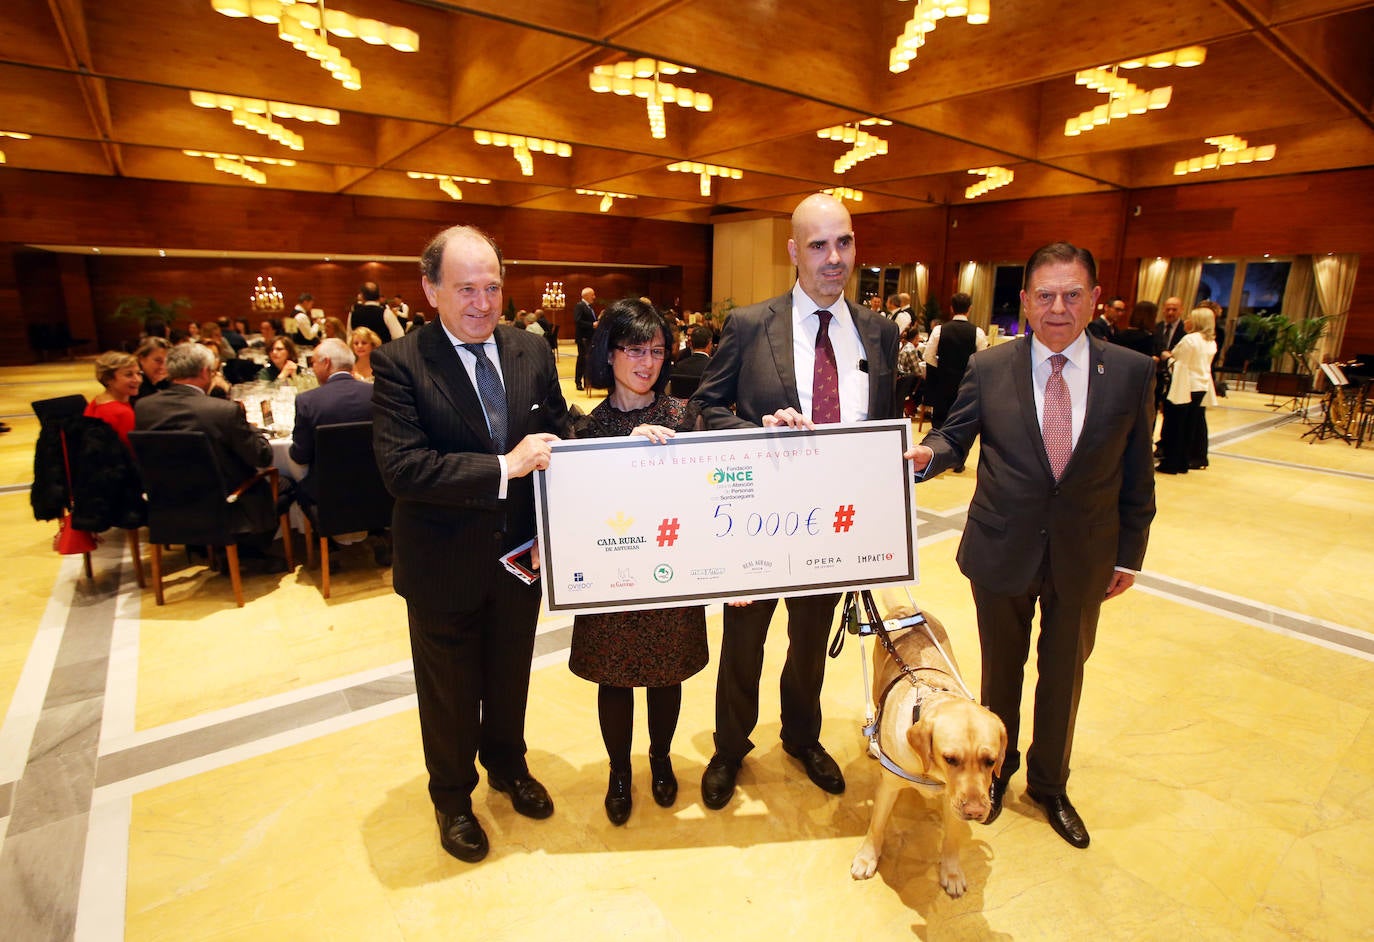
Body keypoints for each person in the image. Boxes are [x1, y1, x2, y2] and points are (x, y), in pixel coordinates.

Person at [907, 241, 1156, 849]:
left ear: (1095, 299)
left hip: (1084, 553)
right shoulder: (993, 367)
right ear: (1025, 301)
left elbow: (1136, 472)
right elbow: (953, 435)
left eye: (1073, 295)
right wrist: (924, 457)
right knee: (1002, 671)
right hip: (1002, 549)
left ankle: (1049, 784)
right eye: (1045, 295)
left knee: (1064, 673)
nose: (1058, 308)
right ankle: (997, 766)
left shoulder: (1129, 371)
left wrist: (1128, 553)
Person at [690, 193, 899, 809]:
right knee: (744, 640)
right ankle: (730, 747)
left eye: (844, 243)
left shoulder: (879, 332)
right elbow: (706, 408)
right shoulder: (751, 326)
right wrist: (757, 432)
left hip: (835, 530)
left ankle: (802, 737)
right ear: (793, 252)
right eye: (818, 245)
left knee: (810, 644)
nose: (834, 259)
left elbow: (882, 431)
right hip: (760, 524)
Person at [371, 224, 571, 864]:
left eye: (492, 287)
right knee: (449, 690)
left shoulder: (530, 350)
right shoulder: (400, 363)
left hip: (520, 558)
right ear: (430, 290)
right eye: (465, 289)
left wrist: (555, 514)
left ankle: (508, 766)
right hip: (442, 562)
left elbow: (556, 430)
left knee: (511, 675)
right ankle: (453, 797)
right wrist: (503, 467)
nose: (482, 303)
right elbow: (403, 469)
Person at [569, 299, 709, 825]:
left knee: (667, 671)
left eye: (656, 350)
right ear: (609, 353)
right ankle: (618, 771)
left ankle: (660, 757)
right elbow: (578, 510)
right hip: (612, 575)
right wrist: (620, 456)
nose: (646, 362)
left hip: (671, 571)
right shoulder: (586, 429)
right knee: (614, 675)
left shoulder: (685, 417)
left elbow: (709, 498)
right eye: (633, 349)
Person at [134, 343, 284, 570]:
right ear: (205, 372)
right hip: (223, 503)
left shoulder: (145, 407)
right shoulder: (221, 411)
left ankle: (204, 547)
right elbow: (262, 457)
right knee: (283, 484)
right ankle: (246, 553)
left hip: (168, 501)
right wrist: (250, 428)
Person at [1157, 307, 1218, 474]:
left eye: (1190, 318)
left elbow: (1179, 363)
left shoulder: (1190, 339)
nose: (1187, 321)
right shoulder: (1211, 341)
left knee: (1176, 425)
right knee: (1190, 426)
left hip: (1184, 386)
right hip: (1201, 385)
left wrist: (1166, 356)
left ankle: (1171, 463)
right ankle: (1184, 461)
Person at [923, 291, 987, 431]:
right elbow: (982, 360)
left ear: (952, 308)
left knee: (940, 424)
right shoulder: (978, 332)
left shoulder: (939, 330)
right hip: (966, 385)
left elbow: (928, 356)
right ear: (970, 308)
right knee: (961, 425)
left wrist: (941, 368)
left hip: (943, 383)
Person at [84, 351, 142, 447]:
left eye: (138, 373)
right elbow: (133, 450)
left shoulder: (96, 402)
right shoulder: (122, 413)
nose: (137, 380)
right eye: (129, 375)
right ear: (108, 379)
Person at [668, 324, 712, 398]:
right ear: (709, 344)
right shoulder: (714, 368)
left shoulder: (678, 367)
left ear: (691, 343)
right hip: (706, 408)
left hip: (681, 408)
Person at [132, 336, 171, 403]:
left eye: (167, 361)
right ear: (141, 359)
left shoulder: (170, 383)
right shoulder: (135, 386)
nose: (163, 366)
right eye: (158, 360)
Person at [573, 287, 598, 390]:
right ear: (587, 295)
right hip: (583, 338)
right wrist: (592, 324)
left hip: (589, 338)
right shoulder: (580, 306)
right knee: (582, 360)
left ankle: (586, 382)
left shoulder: (589, 307)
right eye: (592, 295)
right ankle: (578, 381)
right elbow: (577, 321)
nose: (594, 297)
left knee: (587, 361)